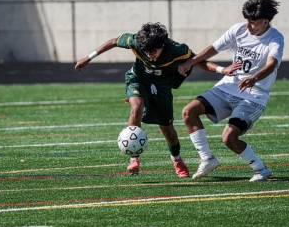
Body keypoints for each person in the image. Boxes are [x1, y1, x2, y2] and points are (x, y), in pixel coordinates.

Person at [74, 22, 240, 178]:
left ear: (162, 45)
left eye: (152, 51)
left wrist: (221, 69)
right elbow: (114, 41)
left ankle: (176, 158)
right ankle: (134, 157)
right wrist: (89, 57)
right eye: (146, 51)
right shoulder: (136, 41)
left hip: (162, 87)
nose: (149, 55)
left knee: (167, 129)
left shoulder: (176, 50)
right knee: (136, 106)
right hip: (138, 79)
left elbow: (198, 61)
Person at [178, 0, 284, 182]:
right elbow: (214, 48)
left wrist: (254, 78)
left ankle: (260, 170)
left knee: (228, 138)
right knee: (188, 112)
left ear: (265, 21)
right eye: (246, 21)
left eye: (252, 22)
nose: (248, 26)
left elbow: (272, 63)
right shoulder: (238, 29)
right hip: (227, 87)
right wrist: (191, 62)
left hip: (253, 96)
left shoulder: (275, 38)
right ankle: (207, 159)